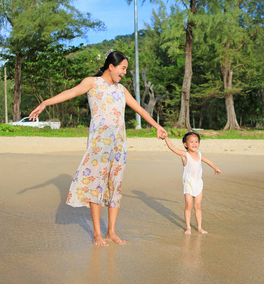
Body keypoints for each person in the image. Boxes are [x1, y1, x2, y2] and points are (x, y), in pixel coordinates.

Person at [29, 51, 167, 246]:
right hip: (98, 145)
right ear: (111, 66)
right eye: (123, 68)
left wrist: (157, 126)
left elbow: (140, 109)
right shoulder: (92, 82)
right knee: (96, 185)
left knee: (115, 185)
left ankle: (111, 231)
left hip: (119, 145)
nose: (125, 73)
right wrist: (45, 102)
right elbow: (70, 93)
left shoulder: (121, 90)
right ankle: (97, 233)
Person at [162, 132, 221, 234]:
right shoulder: (185, 155)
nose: (194, 144)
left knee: (198, 206)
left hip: (198, 184)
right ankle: (188, 227)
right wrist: (166, 138)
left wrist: (216, 168)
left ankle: (199, 227)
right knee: (188, 206)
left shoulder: (200, 155)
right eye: (192, 142)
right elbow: (172, 148)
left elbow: (209, 161)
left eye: (196, 141)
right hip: (188, 184)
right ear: (185, 144)